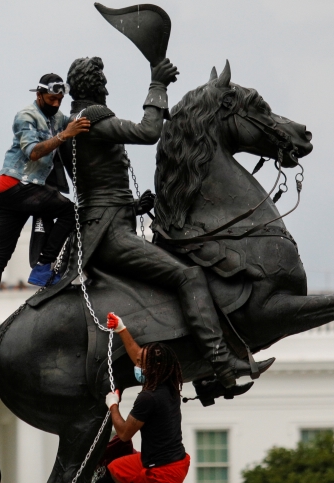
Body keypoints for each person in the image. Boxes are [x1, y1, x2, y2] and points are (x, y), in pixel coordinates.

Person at [37, 56, 273, 388]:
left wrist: (133, 206)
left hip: (108, 225)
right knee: (188, 276)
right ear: (99, 86)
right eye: (103, 81)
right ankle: (221, 365)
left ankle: (202, 373)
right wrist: (157, 84)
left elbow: (96, 188)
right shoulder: (90, 119)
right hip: (110, 237)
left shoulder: (71, 124)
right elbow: (149, 132)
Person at [0, 73, 91, 331]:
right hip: (14, 186)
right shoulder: (26, 116)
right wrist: (65, 136)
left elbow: (75, 121)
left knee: (0, 255)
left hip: (21, 191)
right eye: (51, 98)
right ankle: (42, 267)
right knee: (69, 211)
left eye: (60, 99)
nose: (55, 103)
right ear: (39, 94)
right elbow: (33, 151)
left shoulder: (58, 118)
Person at [101, 312, 191, 483]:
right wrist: (122, 329)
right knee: (115, 468)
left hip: (163, 472)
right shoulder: (169, 385)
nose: (137, 366)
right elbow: (138, 354)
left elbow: (124, 434)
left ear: (152, 368)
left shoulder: (148, 398)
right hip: (176, 461)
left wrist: (113, 405)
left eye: (141, 365)